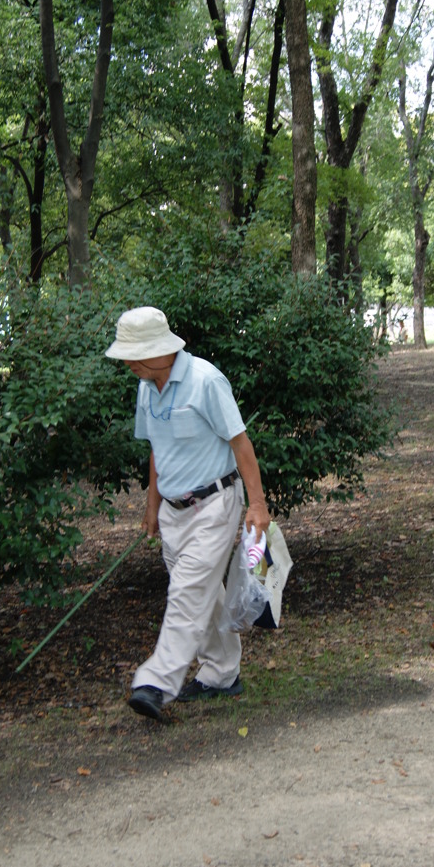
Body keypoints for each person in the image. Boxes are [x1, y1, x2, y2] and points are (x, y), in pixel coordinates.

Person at [106, 306, 271, 721]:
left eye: (130, 354)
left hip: (215, 504)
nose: (125, 363)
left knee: (185, 593)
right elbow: (156, 450)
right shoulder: (146, 386)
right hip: (173, 513)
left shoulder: (205, 380)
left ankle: (155, 683)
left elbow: (240, 443)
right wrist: (151, 505)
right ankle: (222, 674)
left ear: (154, 351)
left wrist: (257, 504)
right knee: (204, 596)